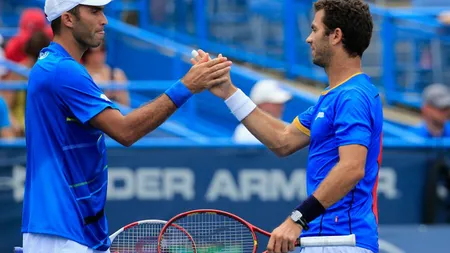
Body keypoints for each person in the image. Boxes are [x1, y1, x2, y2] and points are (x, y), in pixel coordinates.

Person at [22, 0, 232, 252]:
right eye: (94, 11)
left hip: (71, 228)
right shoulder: (62, 71)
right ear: (68, 18)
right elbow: (125, 131)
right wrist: (186, 86)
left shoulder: (55, 66)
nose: (104, 20)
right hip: (61, 229)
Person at [191, 1, 382, 253]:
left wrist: (297, 219)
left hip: (341, 241)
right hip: (326, 240)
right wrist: (228, 91)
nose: (308, 38)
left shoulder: (353, 96)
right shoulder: (335, 96)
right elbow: (283, 140)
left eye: (314, 29)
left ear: (336, 36)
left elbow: (351, 167)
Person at [3, 31, 51, 136]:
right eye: (33, 58)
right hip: (22, 131)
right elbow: (6, 106)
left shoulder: (52, 72)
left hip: (46, 131)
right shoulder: (17, 72)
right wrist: (15, 124)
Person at [233, 79, 291, 143]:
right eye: (275, 103)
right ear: (261, 104)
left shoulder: (289, 129)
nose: (281, 106)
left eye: (281, 103)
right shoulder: (244, 132)